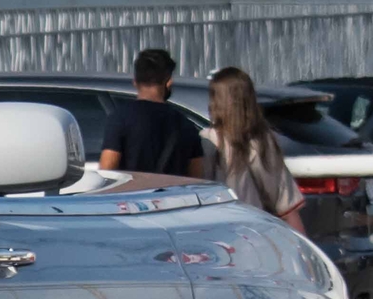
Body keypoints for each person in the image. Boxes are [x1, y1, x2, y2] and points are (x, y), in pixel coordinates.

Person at [204, 66, 305, 234]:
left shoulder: (206, 142)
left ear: (216, 102)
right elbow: (287, 208)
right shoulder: (263, 141)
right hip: (257, 237)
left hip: (218, 236)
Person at [97, 48, 203, 178]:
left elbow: (107, 172)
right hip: (173, 196)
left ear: (135, 82)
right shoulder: (185, 125)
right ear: (168, 82)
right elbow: (197, 178)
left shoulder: (119, 119)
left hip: (133, 196)